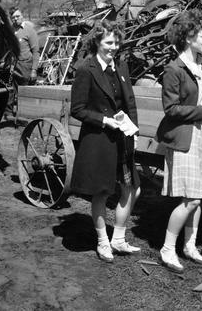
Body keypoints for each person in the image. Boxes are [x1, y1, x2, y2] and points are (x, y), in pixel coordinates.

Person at [155, 9, 202, 273]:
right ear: (188, 37)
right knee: (191, 199)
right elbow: (171, 109)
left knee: (201, 196)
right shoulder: (173, 69)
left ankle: (190, 246)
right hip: (184, 136)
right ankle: (167, 249)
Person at [70, 20, 141, 263]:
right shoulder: (85, 69)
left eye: (117, 42)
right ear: (97, 43)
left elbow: (129, 101)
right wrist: (104, 120)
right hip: (99, 140)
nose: (114, 47)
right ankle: (103, 241)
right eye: (109, 42)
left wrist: (134, 131)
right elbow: (77, 109)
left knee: (133, 189)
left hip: (122, 139)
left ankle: (118, 239)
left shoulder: (121, 66)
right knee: (101, 193)